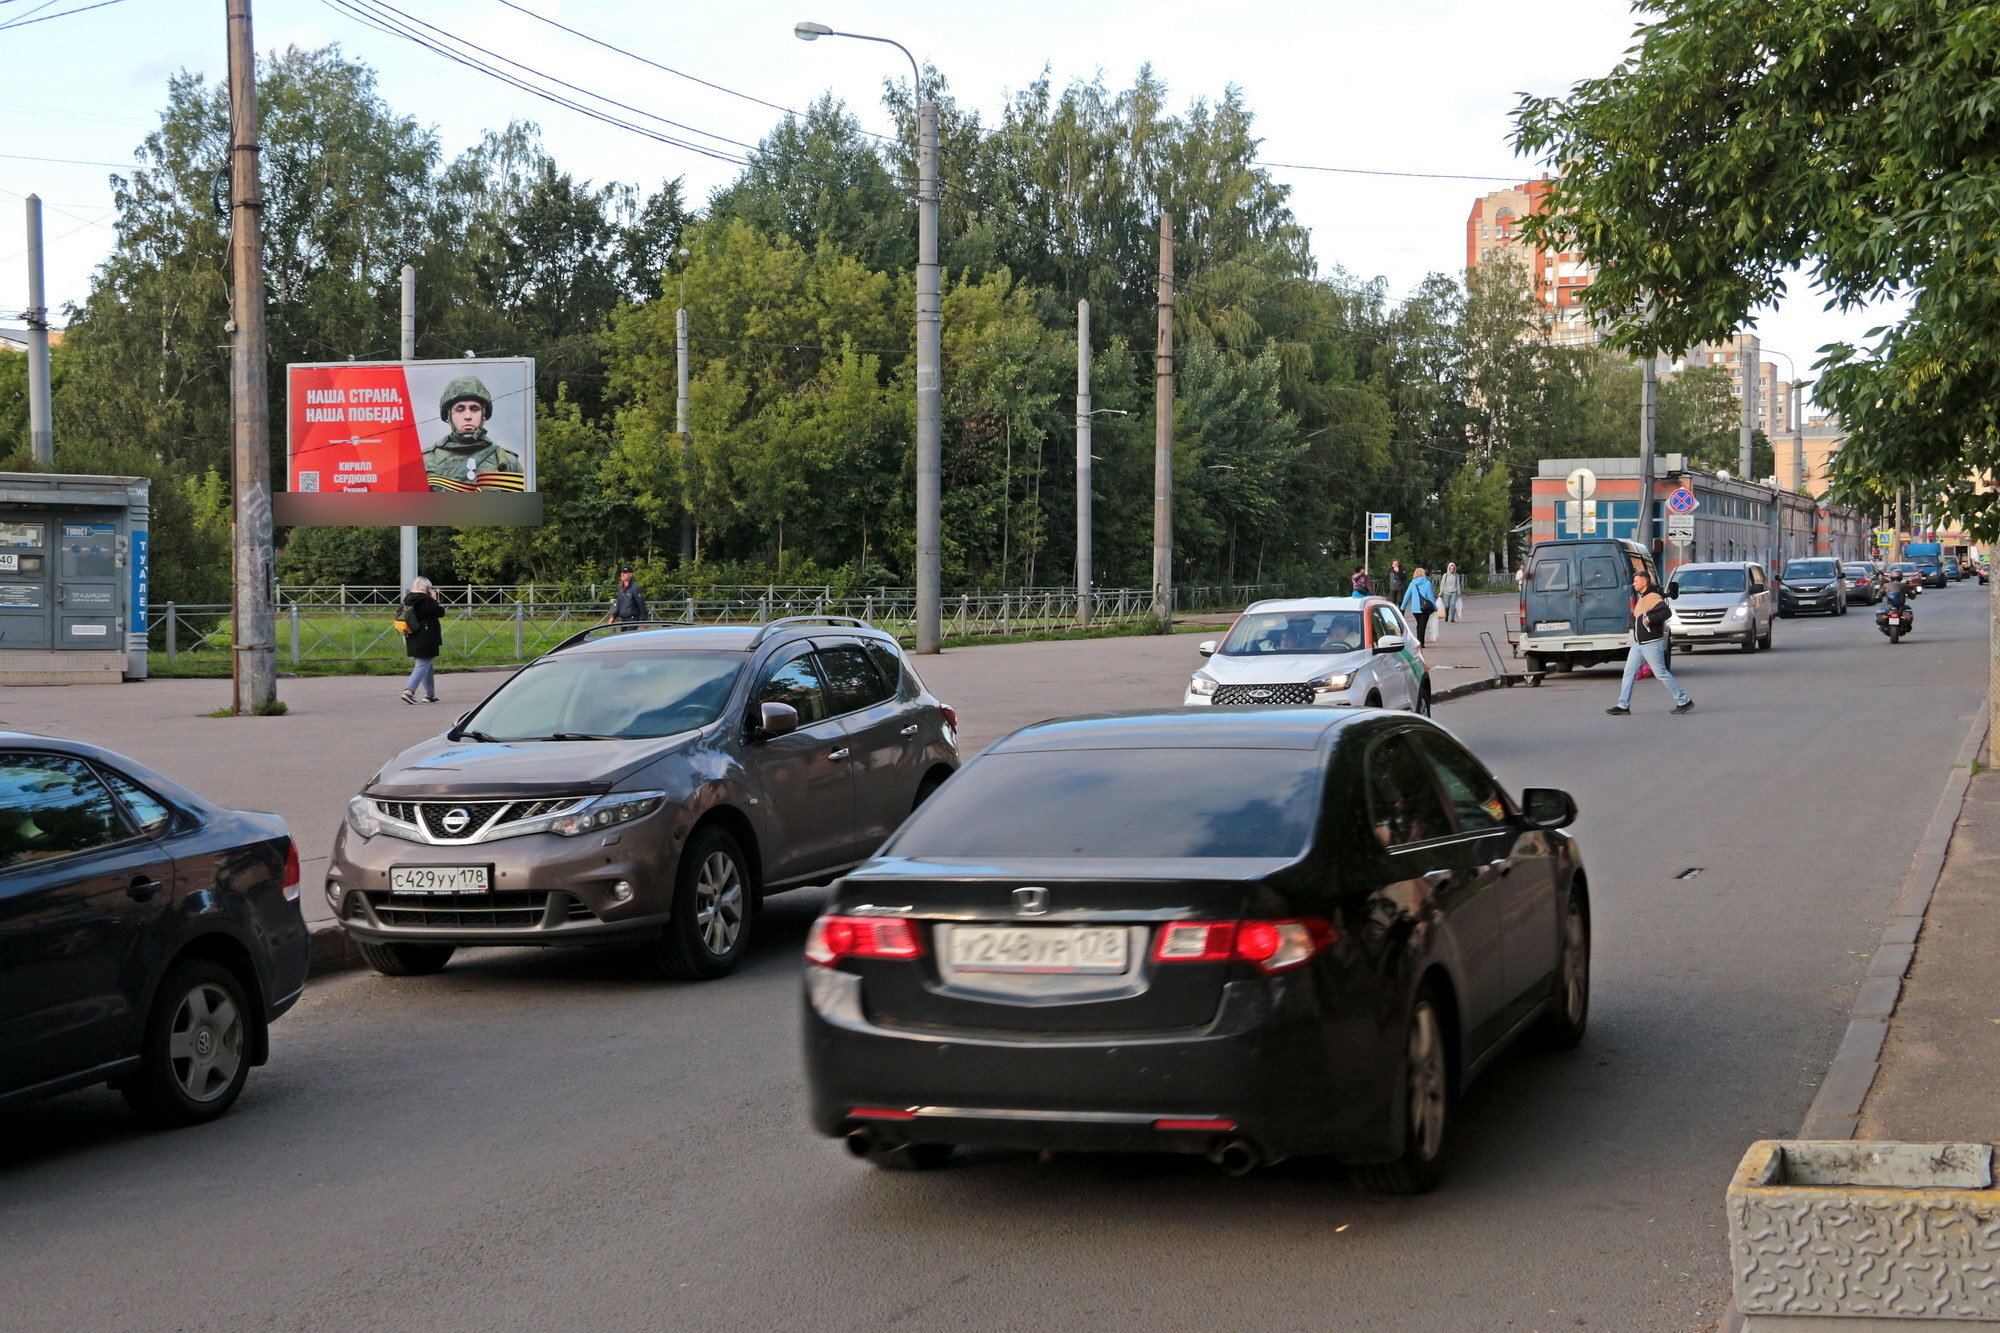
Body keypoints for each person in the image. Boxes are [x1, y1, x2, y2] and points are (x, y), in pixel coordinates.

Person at [1608, 570, 1693, 716]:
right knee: (1628, 673)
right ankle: (1623, 705)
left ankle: (1684, 700)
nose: (1633, 583)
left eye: (1636, 581)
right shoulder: (1642, 597)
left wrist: (1650, 619)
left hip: (1651, 643)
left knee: (1661, 673)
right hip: (1638, 644)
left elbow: (1666, 612)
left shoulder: (1652, 597)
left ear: (1644, 582)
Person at [422, 376, 523, 492]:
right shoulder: (427, 462)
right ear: (449, 416)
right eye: (460, 409)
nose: (468, 416)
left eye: (474, 409)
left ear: (483, 415)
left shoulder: (506, 462)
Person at [399, 577, 443, 705]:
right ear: (427, 588)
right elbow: (440, 612)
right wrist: (434, 599)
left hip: (412, 634)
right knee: (423, 663)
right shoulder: (426, 600)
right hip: (427, 635)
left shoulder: (407, 598)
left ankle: (430, 694)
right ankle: (409, 691)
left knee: (426, 664)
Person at [1400, 565, 1438, 645]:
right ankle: (1420, 642)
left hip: (1415, 609)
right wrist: (1434, 607)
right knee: (1422, 625)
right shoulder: (1427, 583)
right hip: (1425, 608)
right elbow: (1430, 596)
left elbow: (1407, 596)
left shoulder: (1412, 583)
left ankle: (1419, 641)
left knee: (1419, 624)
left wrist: (1402, 608)